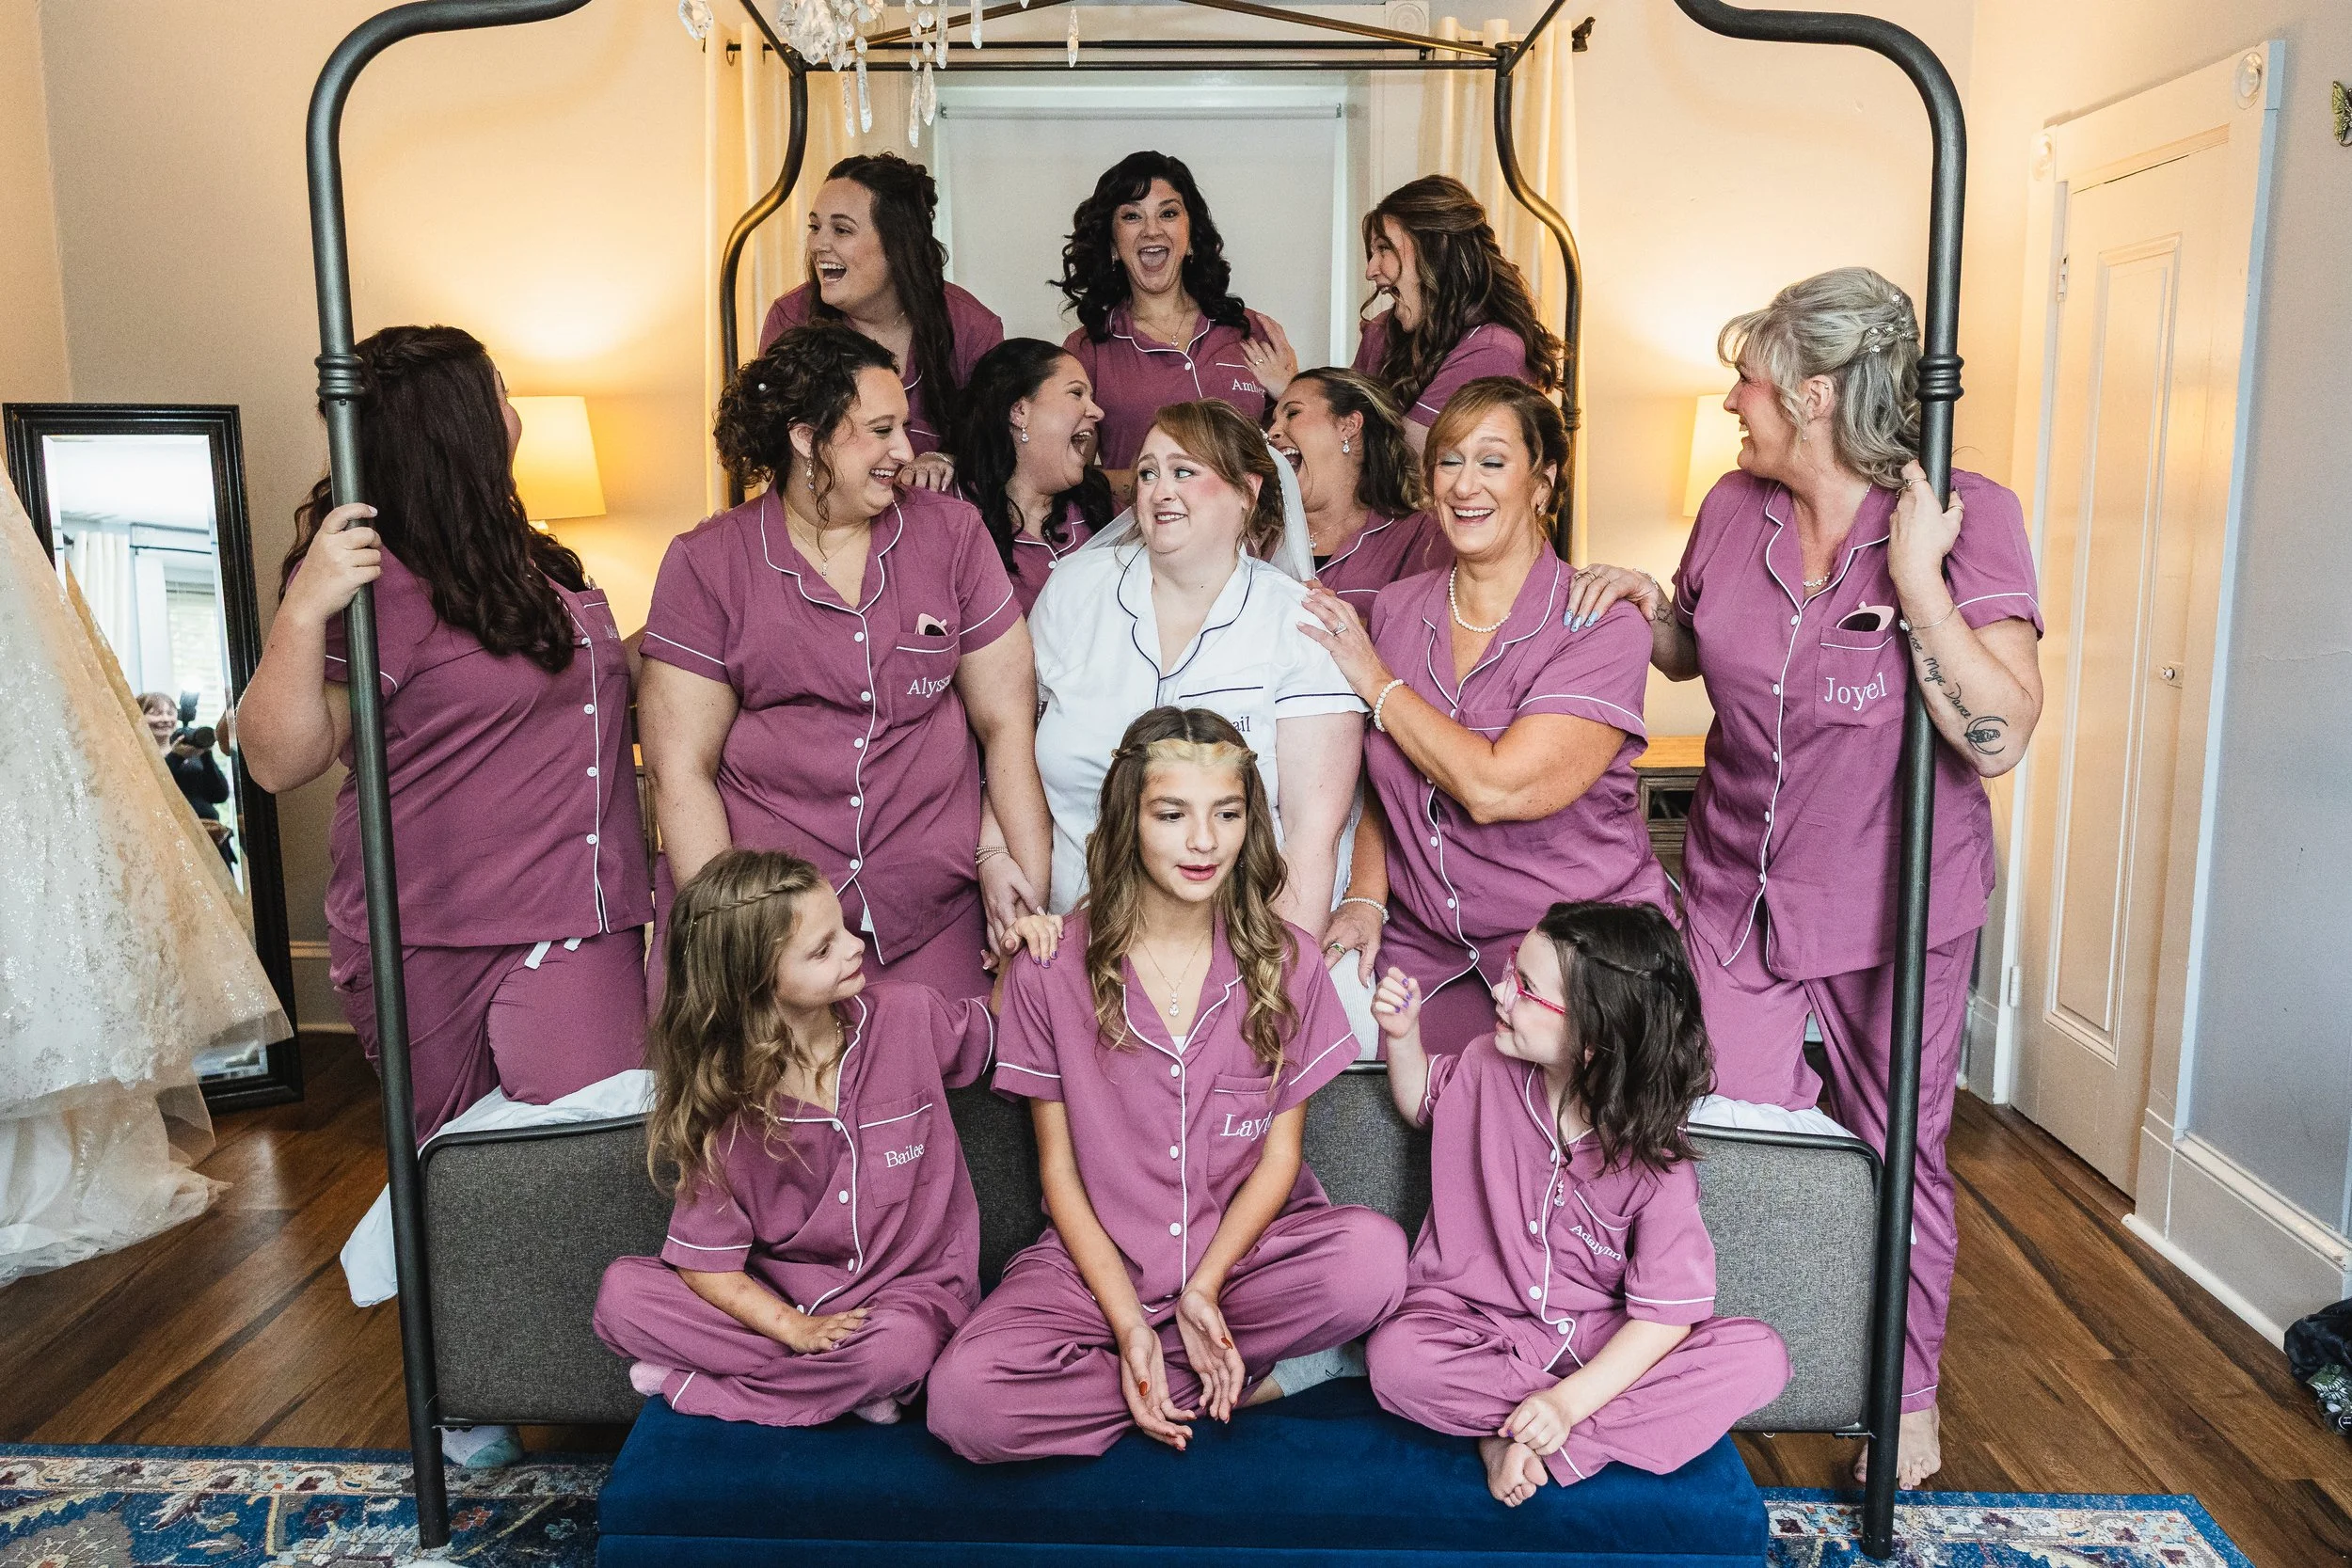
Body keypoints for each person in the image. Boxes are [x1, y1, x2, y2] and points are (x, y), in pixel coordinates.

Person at [1566, 266, 2045, 1489]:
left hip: (1897, 903)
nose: (1732, 398)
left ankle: (1902, 1392)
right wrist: (1644, 608)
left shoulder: (1963, 512)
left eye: (1748, 378)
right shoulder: (1733, 506)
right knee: (1715, 1132)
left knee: (1897, 1153)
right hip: (1735, 887)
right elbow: (1697, 646)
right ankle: (1732, 1359)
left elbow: (1999, 731)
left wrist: (1921, 585)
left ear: (1815, 394)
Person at [924, 707, 1406, 1462]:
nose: (1204, 841)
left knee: (1373, 1259)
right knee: (965, 1402)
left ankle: (1170, 1368)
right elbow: (1060, 1173)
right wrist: (1128, 1327)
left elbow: (1280, 1159)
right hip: (1096, 1271)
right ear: (1130, 819)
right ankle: (1250, 1377)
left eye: (1227, 813)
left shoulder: (1291, 963)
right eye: (1172, 814)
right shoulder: (1050, 968)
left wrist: (1203, 1288)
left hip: (1242, 1265)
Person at [240, 324, 653, 1146]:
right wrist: (304, 604)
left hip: (578, 914)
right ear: (460, 425)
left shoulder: (536, 565)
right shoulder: (378, 575)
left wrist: (708, 593)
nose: (515, 414)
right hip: (425, 931)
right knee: (454, 1168)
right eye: (501, 395)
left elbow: (603, 688)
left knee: (591, 1151)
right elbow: (279, 760)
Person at [638, 323, 1053, 1001]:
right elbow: (680, 769)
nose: (906, 450)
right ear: (807, 438)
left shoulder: (951, 535)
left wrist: (1018, 884)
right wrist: (739, 947)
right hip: (774, 927)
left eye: (904, 427)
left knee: (966, 1063)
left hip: (931, 915)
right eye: (881, 430)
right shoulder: (707, 562)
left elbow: (1007, 722)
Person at [1365, 901, 1790, 1507]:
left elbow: (1666, 1317)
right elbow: (1422, 1105)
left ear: (1593, 1042)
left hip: (1600, 1347)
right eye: (1511, 970)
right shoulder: (1486, 1062)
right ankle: (1544, 1428)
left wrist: (1567, 1404)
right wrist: (1403, 1037)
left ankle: (1538, 1440)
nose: (1500, 993)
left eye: (1525, 987)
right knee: (1397, 1361)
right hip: (1478, 1327)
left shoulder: (1656, 1160)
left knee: (1758, 1358)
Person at [1302, 379, 1671, 1055]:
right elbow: (1389, 776)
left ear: (1542, 483)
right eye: (1449, 460)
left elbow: (1498, 788)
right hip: (1428, 950)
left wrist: (1376, 682)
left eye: (1492, 461)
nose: (1465, 484)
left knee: (1553, 1114)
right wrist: (1365, 895)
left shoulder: (1602, 623)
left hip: (1573, 953)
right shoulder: (1395, 609)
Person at [593, 849, 993, 1427]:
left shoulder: (909, 1015)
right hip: (782, 1299)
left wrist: (1024, 953)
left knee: (896, 1352)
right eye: (822, 949)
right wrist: (795, 1329)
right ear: (756, 982)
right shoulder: (723, 1103)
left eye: (843, 929)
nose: (855, 947)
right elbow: (706, 1265)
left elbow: (1004, 1027)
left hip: (907, 1301)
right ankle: (844, 1387)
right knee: (622, 1297)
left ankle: (692, 1385)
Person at [1029, 400, 1362, 933]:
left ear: (1247, 491)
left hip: (1240, 935)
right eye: (1147, 473)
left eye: (1184, 471)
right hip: (1074, 927)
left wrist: (1278, 973)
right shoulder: (1075, 590)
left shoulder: (1299, 625)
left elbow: (1311, 839)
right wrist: (996, 854)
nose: (1160, 490)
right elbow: (1014, 739)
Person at [758, 152, 1003, 490]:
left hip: (941, 517)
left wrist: (947, 459)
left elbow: (998, 447)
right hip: (826, 517)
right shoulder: (791, 318)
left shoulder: (972, 327)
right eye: (815, 227)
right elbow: (771, 447)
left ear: (897, 245)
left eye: (841, 230)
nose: (818, 244)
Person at [1058, 151, 1292, 483]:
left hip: (1248, 518)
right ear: (1112, 245)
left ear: (1191, 236)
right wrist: (1158, 483)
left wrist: (1291, 393)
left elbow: (1292, 458)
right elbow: (1071, 475)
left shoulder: (1251, 330)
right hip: (1141, 519)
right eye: (1132, 216)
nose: (1152, 231)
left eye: (1167, 213)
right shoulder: (1086, 350)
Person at [1339, 176, 1563, 454]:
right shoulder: (1382, 331)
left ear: (1435, 251)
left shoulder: (1491, 349)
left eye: (1384, 248)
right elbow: (1340, 431)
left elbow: (1409, 462)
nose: (1370, 270)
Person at [953, 338, 1116, 616]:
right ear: (1019, 411)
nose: (1097, 412)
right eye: (1076, 393)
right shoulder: (954, 518)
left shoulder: (1099, 506)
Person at [1265, 367, 1445, 610]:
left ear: (1349, 425)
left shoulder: (1422, 536)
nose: (1272, 432)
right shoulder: (1256, 535)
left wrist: (1349, 623)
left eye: (1293, 413)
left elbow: (1430, 627)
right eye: (1273, 421)